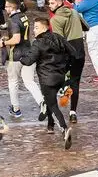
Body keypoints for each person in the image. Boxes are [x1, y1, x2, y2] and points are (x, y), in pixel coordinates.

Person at [21, 17, 73, 147]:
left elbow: (29, 61)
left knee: (52, 105)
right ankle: (50, 125)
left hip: (47, 78)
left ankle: (64, 129)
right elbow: (73, 52)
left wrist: (21, 57)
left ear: (44, 27)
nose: (34, 30)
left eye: (36, 27)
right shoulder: (58, 37)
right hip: (60, 76)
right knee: (49, 100)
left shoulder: (38, 43)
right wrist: (66, 66)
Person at [0, 0, 46, 119]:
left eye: (6, 6)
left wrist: (3, 43)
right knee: (29, 81)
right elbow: (22, 35)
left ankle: (15, 108)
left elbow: (16, 39)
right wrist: (9, 37)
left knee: (13, 82)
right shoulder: (24, 16)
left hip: (16, 55)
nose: (5, 8)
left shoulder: (13, 20)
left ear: (12, 7)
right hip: (29, 52)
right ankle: (42, 102)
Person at [48, 0, 86, 124]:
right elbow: (86, 26)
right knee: (76, 81)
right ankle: (73, 112)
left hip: (68, 51)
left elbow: (59, 41)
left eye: (52, 3)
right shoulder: (74, 12)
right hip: (80, 50)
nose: (50, 5)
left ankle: (53, 107)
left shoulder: (55, 19)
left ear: (59, 3)